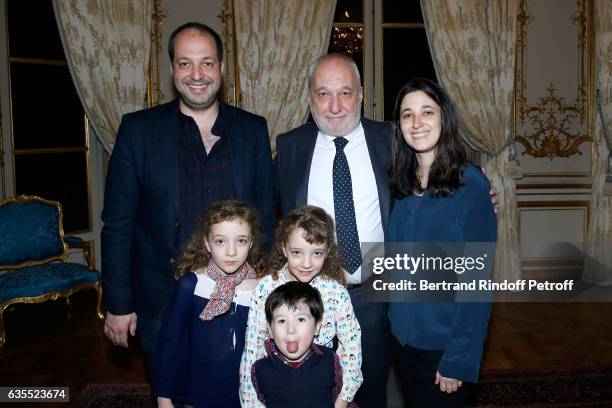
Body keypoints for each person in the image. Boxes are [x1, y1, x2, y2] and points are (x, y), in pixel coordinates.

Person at [101, 21, 274, 383]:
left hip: (239, 300)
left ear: (221, 69)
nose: (197, 74)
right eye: (185, 63)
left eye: (207, 63)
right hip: (162, 302)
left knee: (239, 394)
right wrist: (118, 302)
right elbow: (118, 223)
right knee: (172, 394)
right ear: (172, 70)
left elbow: (266, 218)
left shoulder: (252, 129)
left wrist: (268, 290)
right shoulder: (138, 131)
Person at [387, 78, 497, 407]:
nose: (417, 122)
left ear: (444, 118)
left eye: (427, 112)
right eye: (407, 114)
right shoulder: (397, 183)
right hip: (402, 341)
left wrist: (459, 358)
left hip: (445, 347)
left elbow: (477, 283)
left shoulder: (472, 185)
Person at [240, 206, 362, 408]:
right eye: (297, 252)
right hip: (278, 392)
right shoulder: (266, 288)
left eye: (316, 253)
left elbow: (352, 349)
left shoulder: (335, 292)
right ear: (284, 247)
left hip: (323, 394)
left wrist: (340, 402)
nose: (306, 263)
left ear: (327, 252)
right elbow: (252, 351)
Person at [155, 199, 263, 408]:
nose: (231, 251)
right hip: (198, 393)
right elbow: (169, 344)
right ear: (206, 243)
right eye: (220, 241)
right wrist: (163, 397)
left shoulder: (261, 289)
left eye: (240, 241)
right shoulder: (191, 286)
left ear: (251, 242)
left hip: (245, 396)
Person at [251, 281, 351, 408]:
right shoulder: (260, 370)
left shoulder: (329, 359)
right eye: (281, 321)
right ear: (270, 330)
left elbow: (338, 395)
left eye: (301, 319)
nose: (291, 329)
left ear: (317, 327)